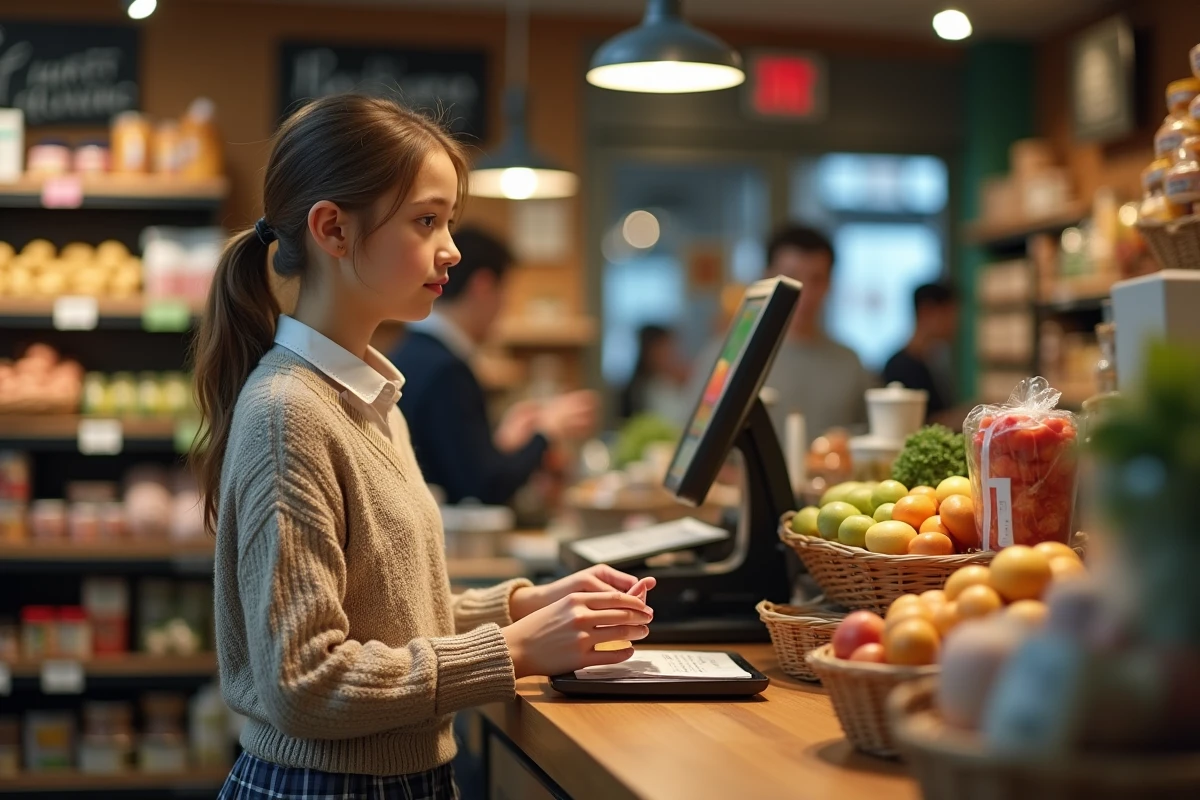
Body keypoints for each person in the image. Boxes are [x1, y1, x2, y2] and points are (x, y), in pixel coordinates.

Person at [191, 94, 653, 800]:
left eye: (449, 221)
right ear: (333, 229)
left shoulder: (372, 398)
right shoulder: (289, 415)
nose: (453, 249)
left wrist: (525, 605)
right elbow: (305, 683)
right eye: (426, 220)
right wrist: (515, 649)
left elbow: (389, 615)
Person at [391, 226, 597, 505]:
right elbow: (484, 488)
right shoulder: (446, 370)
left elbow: (460, 464)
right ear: (483, 286)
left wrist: (503, 443)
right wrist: (546, 431)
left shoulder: (411, 351)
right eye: (505, 292)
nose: (504, 308)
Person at [688, 224, 874, 446]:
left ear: (829, 284)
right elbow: (692, 438)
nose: (804, 293)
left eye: (816, 279)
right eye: (791, 278)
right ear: (767, 277)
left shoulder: (849, 363)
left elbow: (869, 438)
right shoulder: (727, 356)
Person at [883, 282, 959, 421]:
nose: (954, 322)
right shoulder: (899, 367)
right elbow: (919, 422)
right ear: (927, 311)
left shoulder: (933, 362)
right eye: (949, 313)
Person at [618, 324, 691, 426]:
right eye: (665, 348)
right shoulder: (645, 388)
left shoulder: (670, 381)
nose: (672, 354)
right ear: (650, 352)